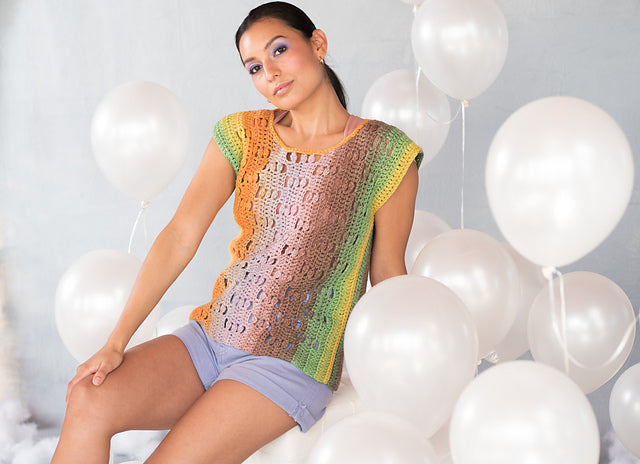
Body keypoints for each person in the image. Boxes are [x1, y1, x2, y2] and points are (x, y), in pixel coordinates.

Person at [51, 2, 423, 463]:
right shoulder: (242, 134)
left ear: (318, 44)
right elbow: (180, 235)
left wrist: (404, 366)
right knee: (88, 397)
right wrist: (115, 343)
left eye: (279, 50)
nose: (270, 72)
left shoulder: (385, 153)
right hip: (210, 338)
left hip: (290, 363)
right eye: (254, 67)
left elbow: (387, 275)